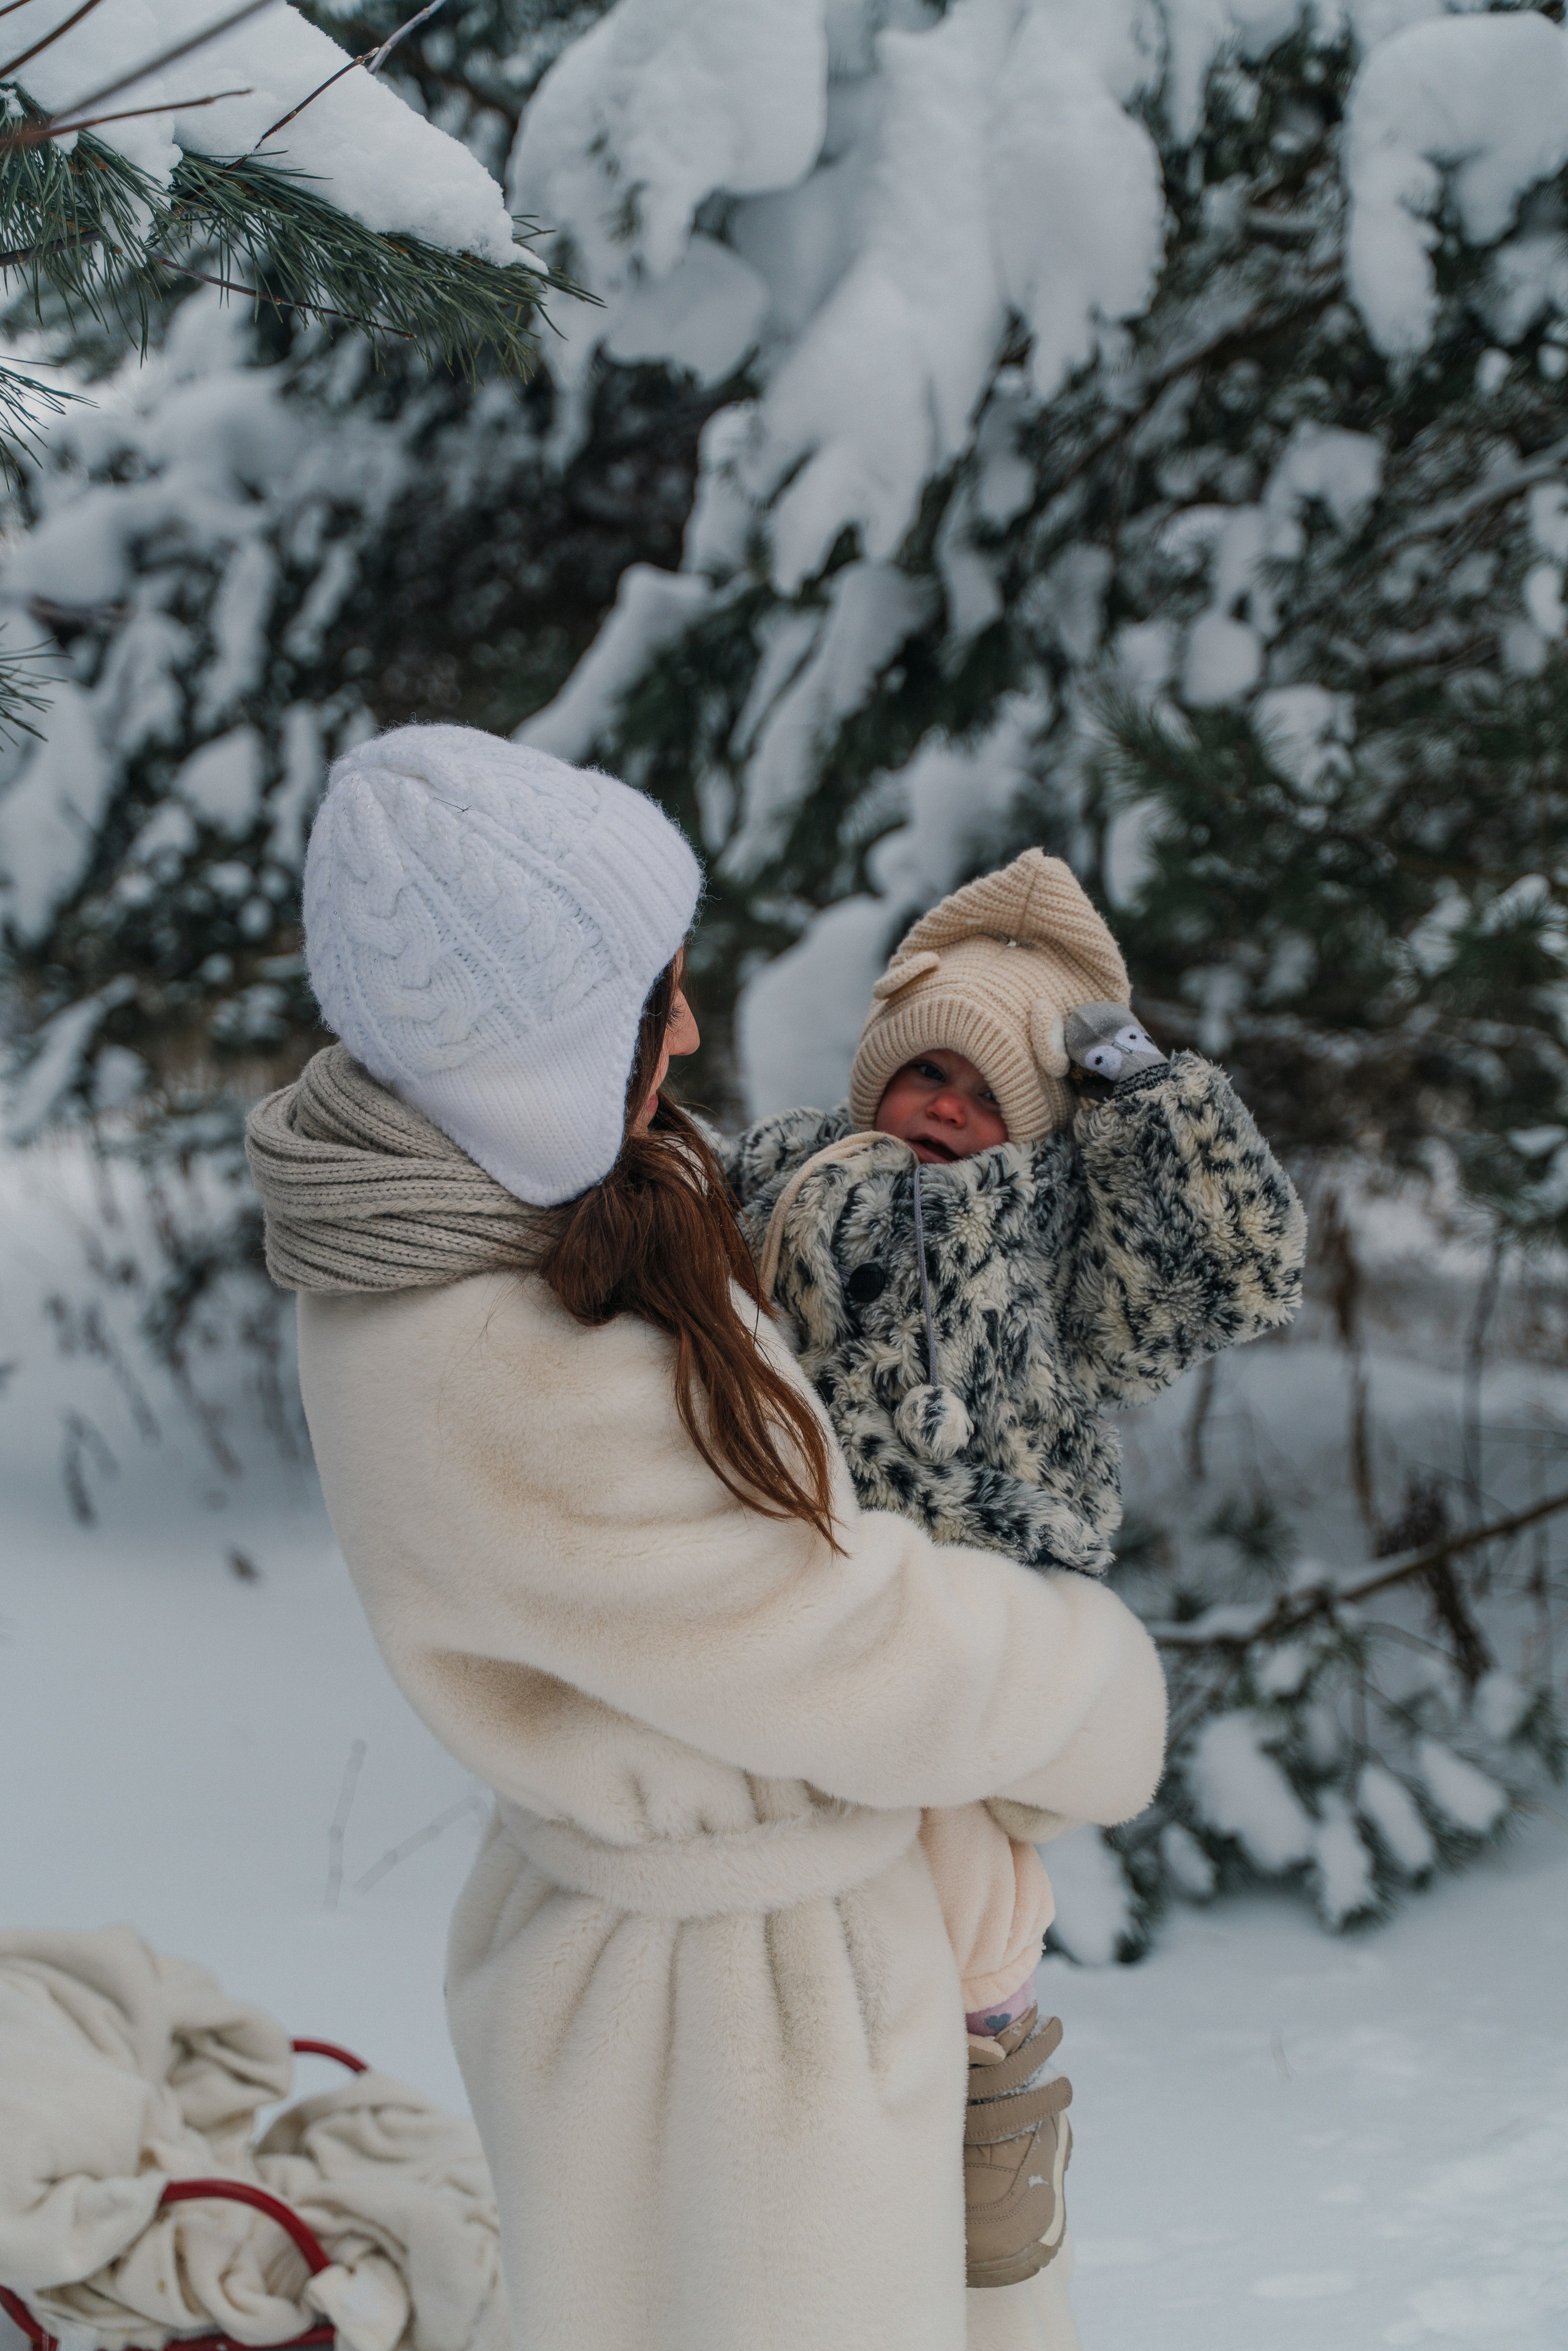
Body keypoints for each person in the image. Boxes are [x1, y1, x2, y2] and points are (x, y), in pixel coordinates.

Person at [246, 725, 1169, 2351]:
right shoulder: (473, 1348)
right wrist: (1089, 1684)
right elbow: (820, 1638)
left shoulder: (523, 1205)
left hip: (747, 1972)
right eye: (645, 999)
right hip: (721, 2037)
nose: (685, 1022)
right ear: (525, 1057)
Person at [721, 849, 1306, 2292]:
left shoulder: (1065, 1252)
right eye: (925, 1073)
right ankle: (796, 2151)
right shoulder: (791, 1168)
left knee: (976, 1885)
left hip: (980, 1605)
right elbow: (668, 1231)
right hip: (812, 1572)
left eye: (988, 1096)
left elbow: (1244, 1270)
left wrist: (1147, 1095)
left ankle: (990, 2099)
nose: (947, 1108)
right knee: (804, 1891)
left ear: (1037, 1128)